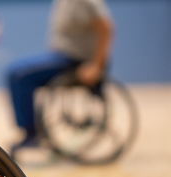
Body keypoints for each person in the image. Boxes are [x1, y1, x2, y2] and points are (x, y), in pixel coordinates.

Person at [7, 0, 114, 155]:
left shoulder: (86, 2)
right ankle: (32, 131)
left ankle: (32, 134)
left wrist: (96, 66)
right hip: (62, 56)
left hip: (74, 60)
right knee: (17, 72)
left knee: (18, 74)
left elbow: (106, 28)